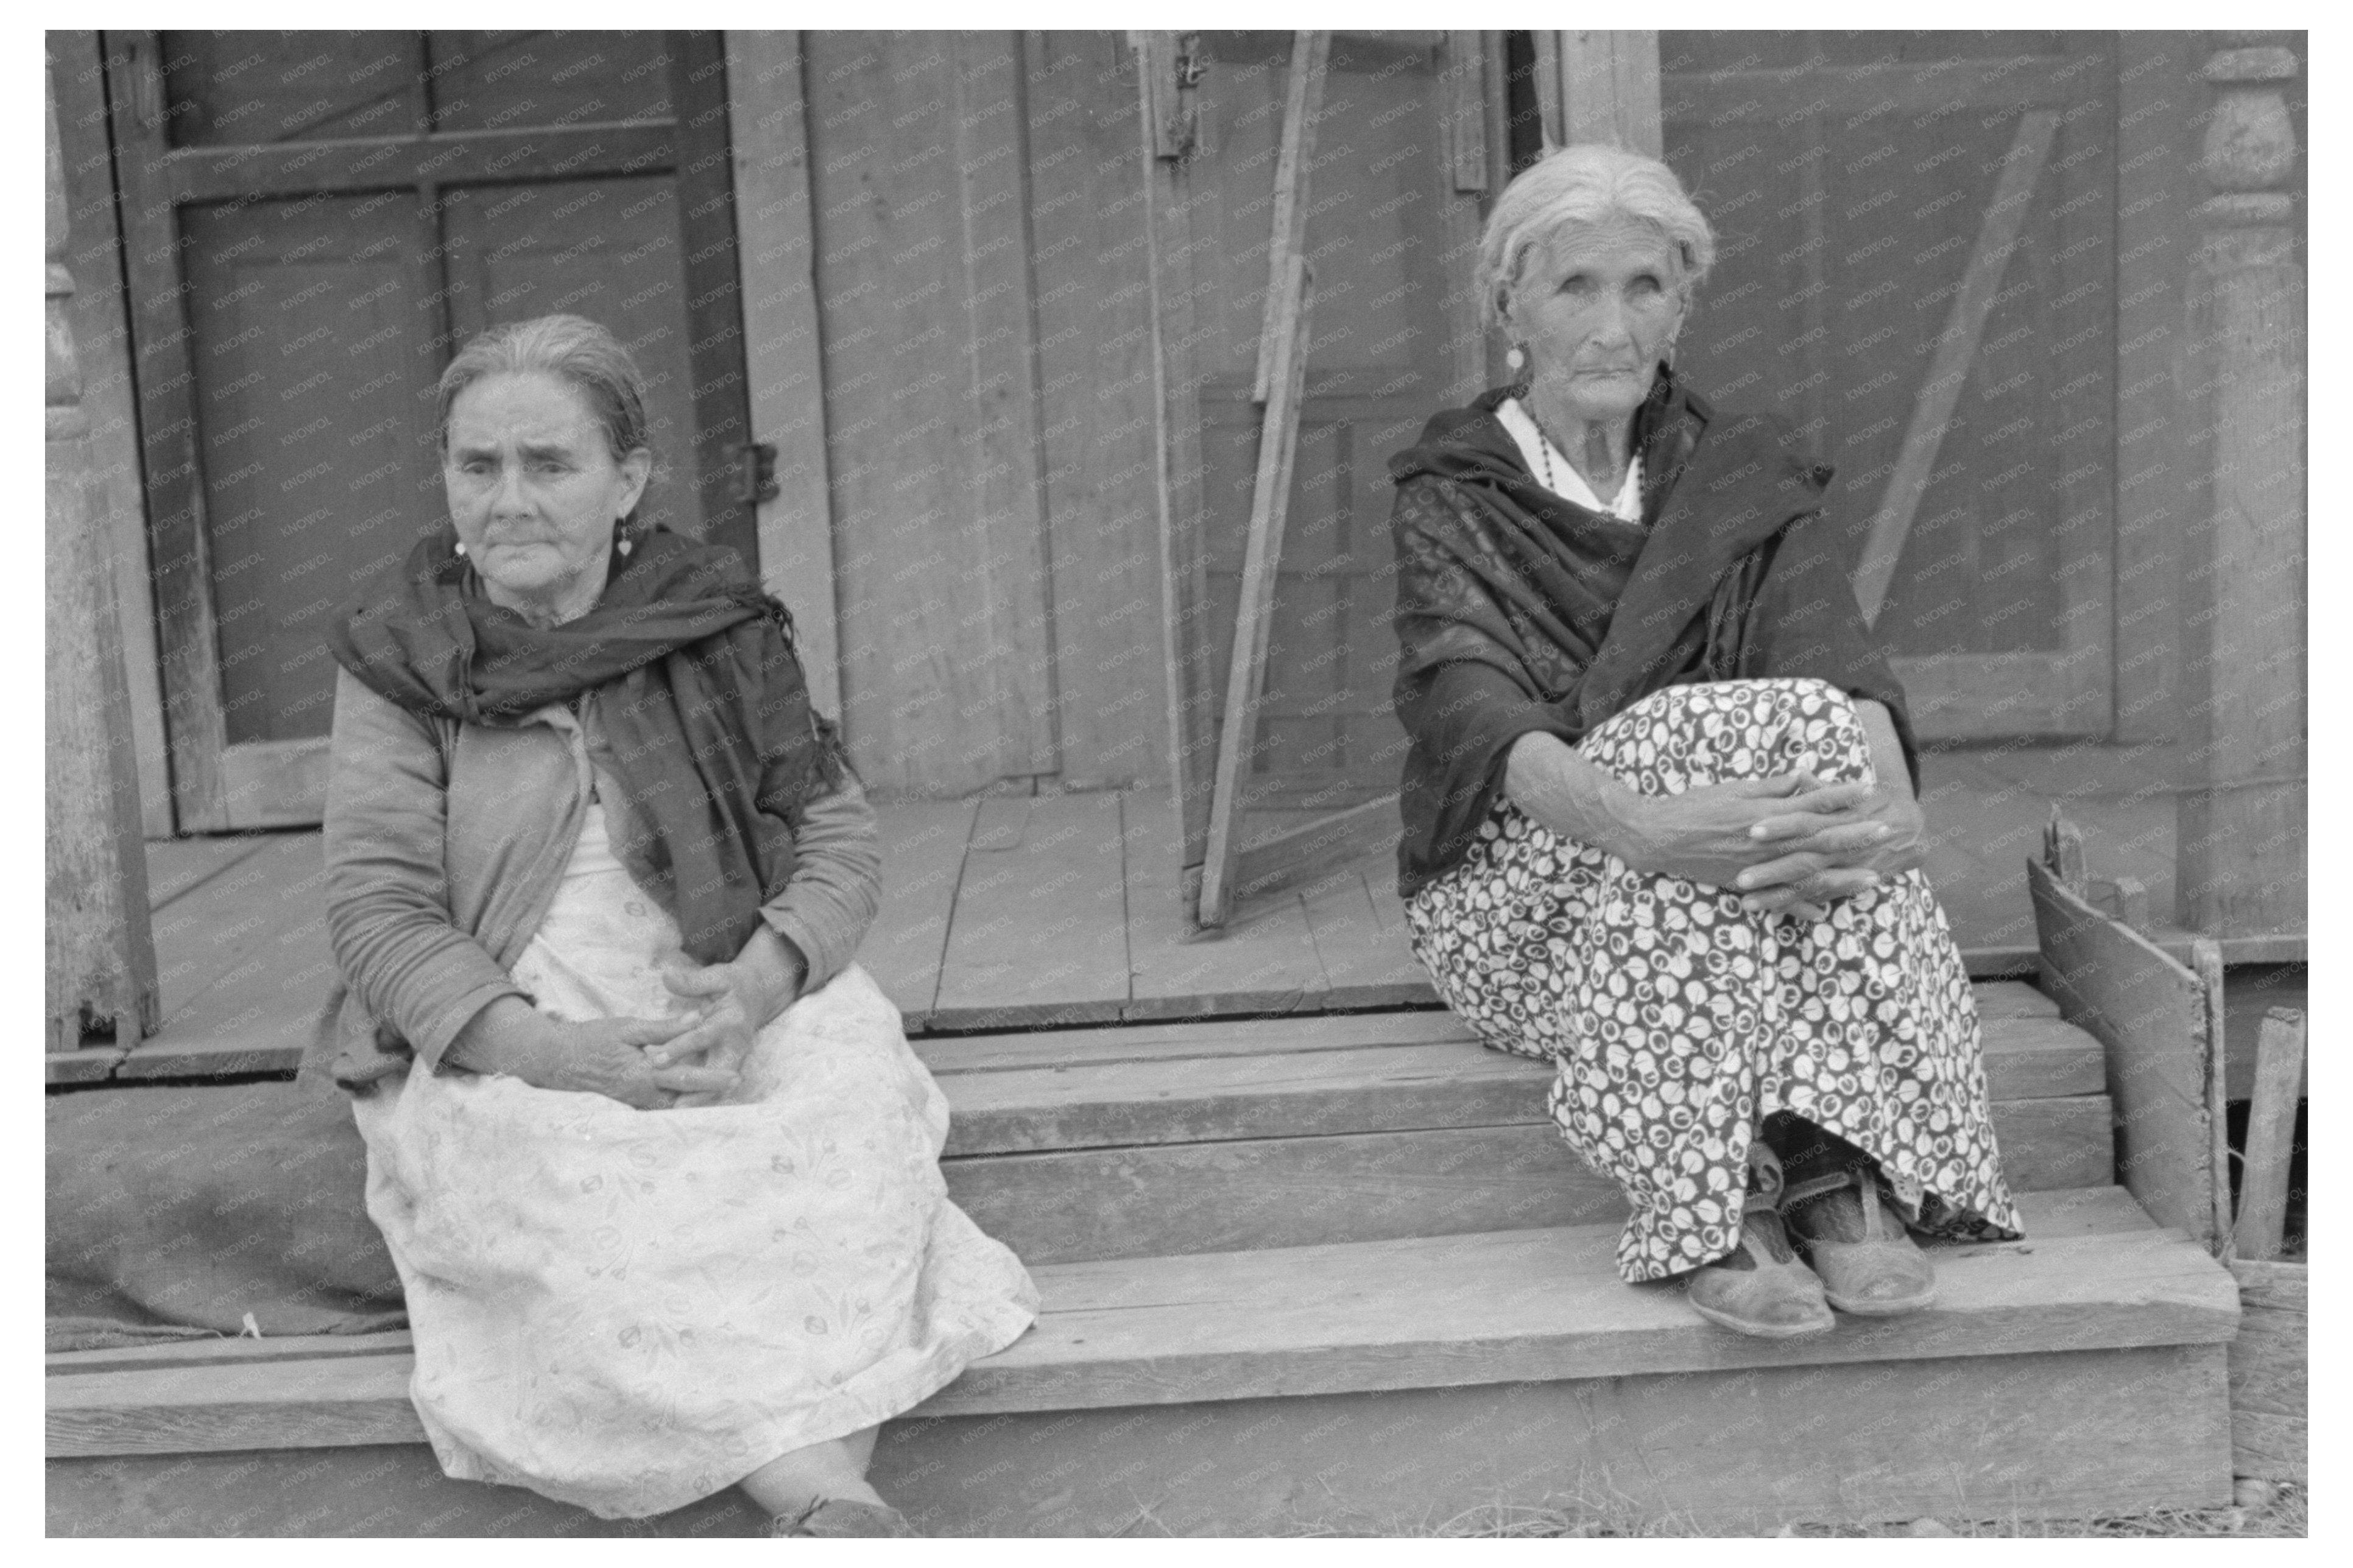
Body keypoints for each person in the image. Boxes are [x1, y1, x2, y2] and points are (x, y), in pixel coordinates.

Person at [315, 314, 1036, 1534]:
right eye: (476, 467)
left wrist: (758, 988)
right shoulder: (404, 663)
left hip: (723, 984)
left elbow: (836, 839)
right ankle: (825, 1503)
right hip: (509, 1019)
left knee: (839, 1134)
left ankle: (819, 1512)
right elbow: (378, 914)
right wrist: (550, 1054)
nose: (509, 499)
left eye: (551, 465)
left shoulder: (716, 624)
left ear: (628, 479)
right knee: (586, 1191)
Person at [1388, 145, 2021, 1339]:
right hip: (1539, 916)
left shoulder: (1737, 469)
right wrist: (1650, 825)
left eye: (1646, 288)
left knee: (1815, 723)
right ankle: (1716, 1201)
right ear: (1507, 307)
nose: (1612, 327)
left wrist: (1886, 826)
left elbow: (1845, 670)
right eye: (1575, 287)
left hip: (1755, 884)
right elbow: (1475, 715)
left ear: (1682, 307)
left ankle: (1827, 1167)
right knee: (1686, 730)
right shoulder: (1453, 489)